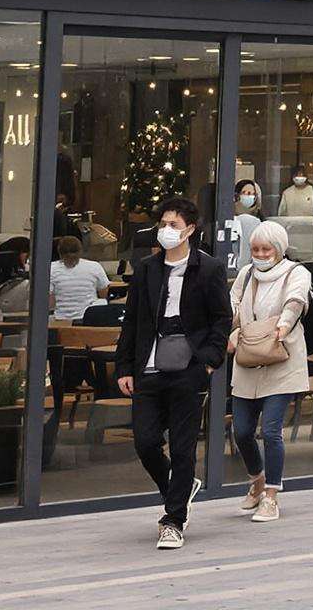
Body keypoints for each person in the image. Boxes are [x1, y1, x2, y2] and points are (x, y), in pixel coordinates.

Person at [117, 198, 232, 550]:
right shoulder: (148, 268)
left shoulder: (208, 269)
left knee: (183, 448)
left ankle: (173, 519)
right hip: (149, 367)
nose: (167, 231)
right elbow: (133, 320)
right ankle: (178, 487)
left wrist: (210, 360)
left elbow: (221, 319)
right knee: (145, 441)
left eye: (174, 225)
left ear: (190, 230)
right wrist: (124, 367)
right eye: (163, 224)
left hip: (188, 369)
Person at [226, 220, 311, 523]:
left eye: (266, 249)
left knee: (271, 430)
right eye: (255, 249)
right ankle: (257, 481)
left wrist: (283, 325)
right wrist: (230, 330)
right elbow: (233, 305)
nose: (260, 254)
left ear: (279, 249)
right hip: (249, 358)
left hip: (282, 358)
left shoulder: (296, 273)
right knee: (243, 431)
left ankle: (271, 496)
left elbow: (295, 302)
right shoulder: (247, 274)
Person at [46, 234, 112, 322]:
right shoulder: (94, 266)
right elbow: (104, 294)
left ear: (59, 251)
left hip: (61, 319)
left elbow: (49, 302)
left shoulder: (50, 268)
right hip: (88, 319)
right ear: (80, 250)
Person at [226, 181, 263, 256]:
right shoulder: (229, 215)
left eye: (251, 194)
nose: (248, 196)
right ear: (237, 195)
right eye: (245, 193)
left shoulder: (260, 221)